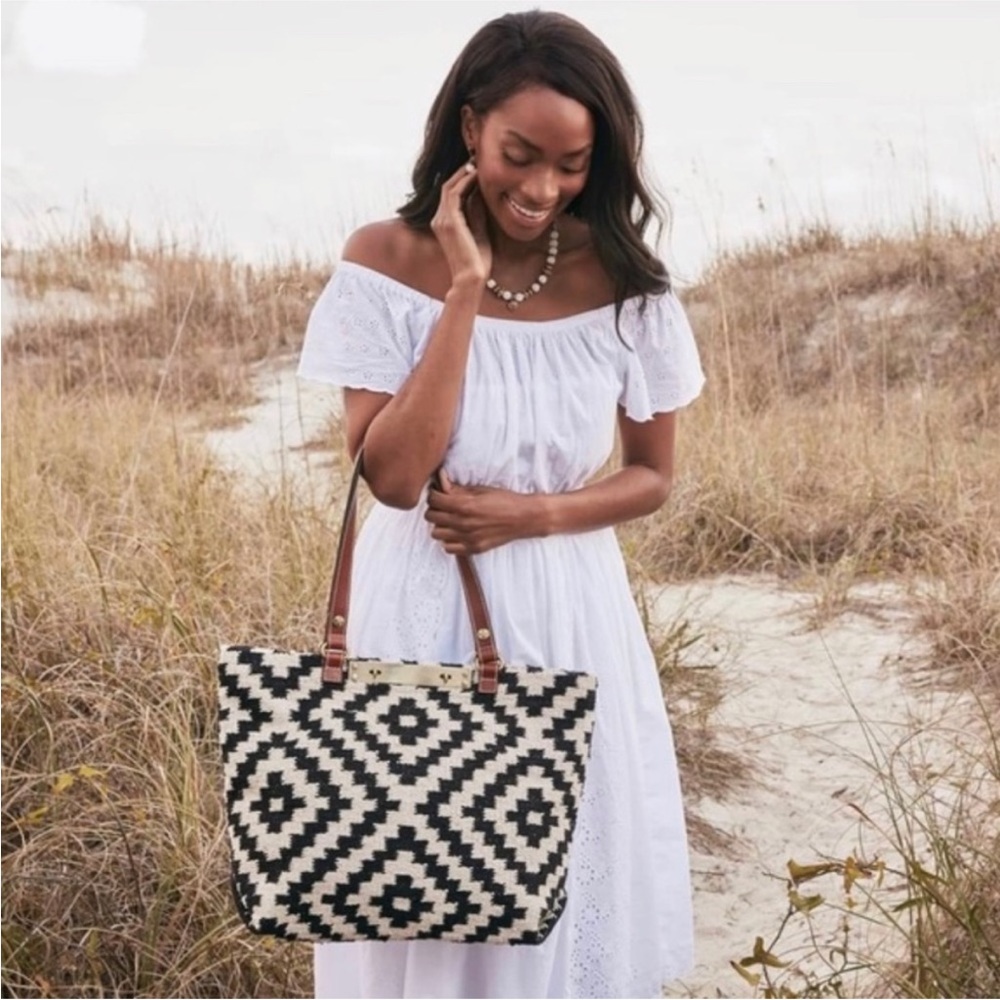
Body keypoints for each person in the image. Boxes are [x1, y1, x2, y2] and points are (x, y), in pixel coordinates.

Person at [296, 9, 704, 999]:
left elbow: (651, 474)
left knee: (562, 886)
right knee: (425, 874)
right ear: (469, 126)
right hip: (419, 614)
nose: (542, 188)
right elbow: (392, 477)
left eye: (570, 164)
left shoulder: (627, 281)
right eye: (521, 155)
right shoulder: (384, 260)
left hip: (573, 616)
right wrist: (465, 291)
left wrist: (530, 516)